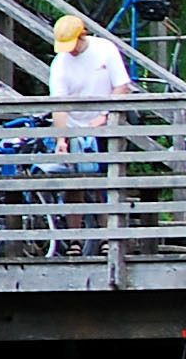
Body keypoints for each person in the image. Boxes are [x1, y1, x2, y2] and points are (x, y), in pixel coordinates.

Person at [45, 13, 134, 246]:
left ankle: (108, 237)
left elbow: (122, 86)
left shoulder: (105, 49)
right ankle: (75, 238)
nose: (70, 50)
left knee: (105, 181)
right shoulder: (60, 64)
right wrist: (61, 138)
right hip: (75, 124)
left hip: (104, 122)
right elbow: (59, 105)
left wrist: (104, 116)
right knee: (75, 183)